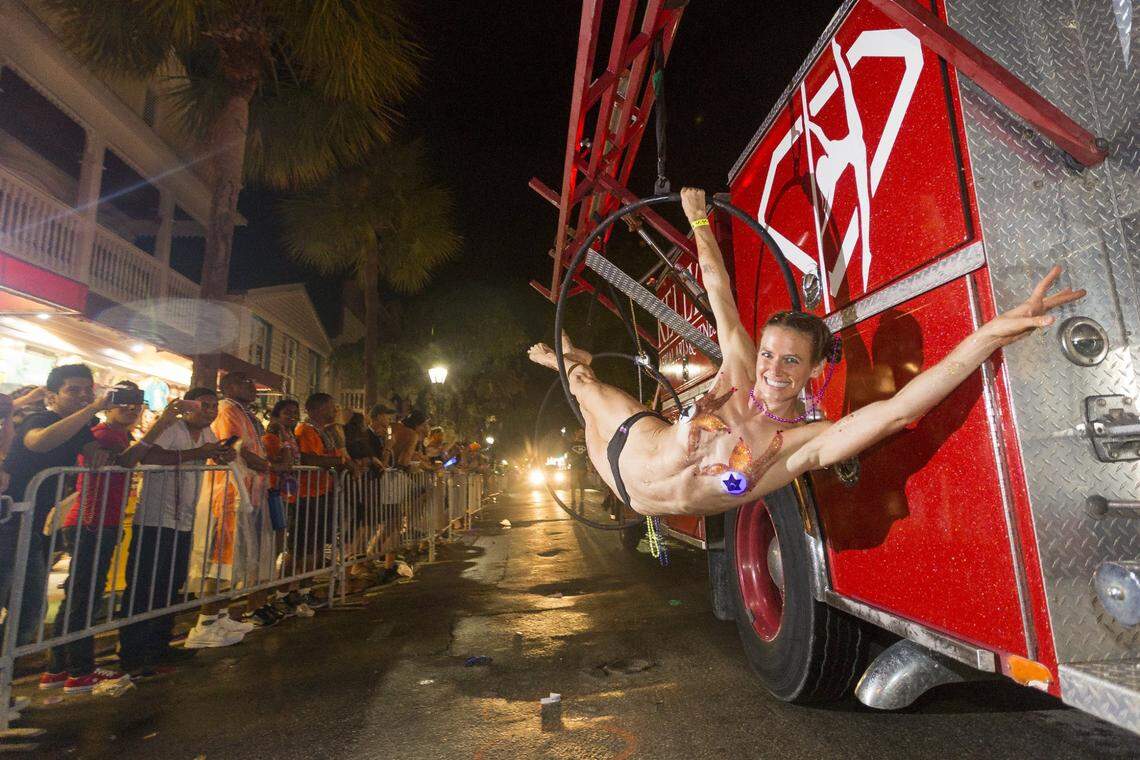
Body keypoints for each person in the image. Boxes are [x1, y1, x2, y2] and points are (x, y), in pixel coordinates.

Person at [527, 187, 1085, 518]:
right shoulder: (742, 369)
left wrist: (989, 335)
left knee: (613, 406)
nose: (771, 369)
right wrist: (698, 218)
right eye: (769, 354)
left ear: (817, 371)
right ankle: (571, 365)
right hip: (631, 448)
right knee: (585, 388)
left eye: (791, 362)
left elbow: (902, 410)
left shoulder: (804, 443)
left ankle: (598, 384)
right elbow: (718, 292)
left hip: (638, 496)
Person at [117, 388, 236, 673]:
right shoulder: (171, 427)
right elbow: (149, 457)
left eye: (213, 407)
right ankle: (134, 654)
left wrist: (218, 455)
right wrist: (200, 452)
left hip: (183, 520)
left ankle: (159, 647)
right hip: (156, 519)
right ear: (187, 407)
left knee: (171, 585)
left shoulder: (206, 434)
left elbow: (203, 456)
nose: (210, 411)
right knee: (146, 586)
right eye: (204, 405)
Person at [40, 382, 148, 692]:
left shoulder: (116, 434)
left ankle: (59, 668)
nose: (130, 408)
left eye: (136, 402)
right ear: (107, 403)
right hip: (91, 523)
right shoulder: (104, 435)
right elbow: (126, 461)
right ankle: (81, 670)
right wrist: (164, 422)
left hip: (98, 521)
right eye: (122, 401)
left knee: (80, 595)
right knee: (85, 598)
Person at [0, 365, 111, 652]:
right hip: (7, 520)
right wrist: (92, 409)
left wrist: (99, 449)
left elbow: (97, 453)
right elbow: (39, 442)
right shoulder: (40, 418)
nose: (83, 396)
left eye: (88, 390)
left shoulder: (81, 428)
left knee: (28, 613)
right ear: (52, 396)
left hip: (31, 527)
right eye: (73, 390)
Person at [187, 371, 276, 639]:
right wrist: (263, 464)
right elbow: (234, 447)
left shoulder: (244, 412)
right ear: (228, 387)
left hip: (247, 493)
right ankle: (207, 621)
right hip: (229, 493)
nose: (252, 386)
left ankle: (222, 616)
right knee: (220, 558)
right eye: (245, 381)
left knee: (233, 558)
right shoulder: (227, 409)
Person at [291, 392, 350, 607]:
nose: (335, 410)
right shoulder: (305, 430)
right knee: (303, 547)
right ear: (316, 409)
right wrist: (337, 462)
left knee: (315, 546)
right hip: (306, 494)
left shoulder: (323, 432)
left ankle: (306, 588)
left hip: (321, 492)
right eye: (330, 406)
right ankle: (291, 591)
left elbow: (338, 455)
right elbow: (308, 458)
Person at [261, 399, 314, 618]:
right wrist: (283, 446)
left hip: (290, 493)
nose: (291, 416)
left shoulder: (290, 435)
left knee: (283, 545)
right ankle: (267, 595)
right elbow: (280, 462)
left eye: (295, 413)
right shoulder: (272, 436)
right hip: (274, 492)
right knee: (274, 546)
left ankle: (279, 591)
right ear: (276, 415)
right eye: (286, 413)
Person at [567, 428, 590, 511]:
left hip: (582, 467)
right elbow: (568, 454)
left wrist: (589, 467)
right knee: (573, 485)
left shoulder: (585, 444)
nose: (581, 434)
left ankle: (582, 500)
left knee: (582, 485)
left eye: (582, 432)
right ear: (576, 433)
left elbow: (588, 457)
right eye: (580, 432)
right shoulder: (571, 444)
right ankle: (573, 500)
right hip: (574, 467)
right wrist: (568, 462)